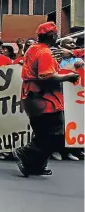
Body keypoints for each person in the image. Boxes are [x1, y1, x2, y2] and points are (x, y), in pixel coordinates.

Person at [12, 22, 79, 177]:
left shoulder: (32, 49)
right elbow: (46, 75)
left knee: (41, 133)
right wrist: (68, 76)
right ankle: (24, 152)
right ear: (51, 36)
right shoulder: (44, 52)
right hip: (44, 99)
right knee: (55, 134)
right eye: (56, 34)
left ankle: (35, 166)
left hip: (31, 98)